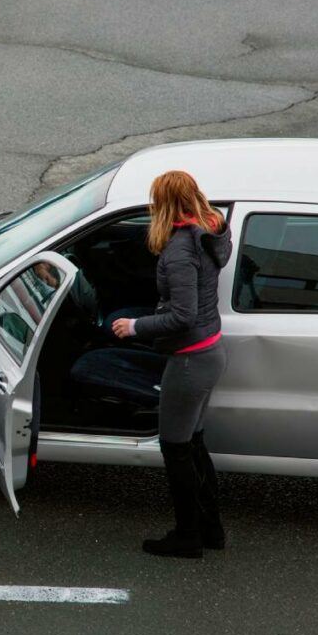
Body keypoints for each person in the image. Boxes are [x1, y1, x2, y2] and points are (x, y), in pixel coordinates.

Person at [110, 170, 232, 558]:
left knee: (175, 447)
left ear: (164, 204)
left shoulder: (181, 249)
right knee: (194, 445)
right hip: (210, 352)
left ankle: (187, 536)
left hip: (189, 361)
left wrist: (135, 327)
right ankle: (211, 529)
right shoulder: (210, 232)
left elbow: (182, 315)